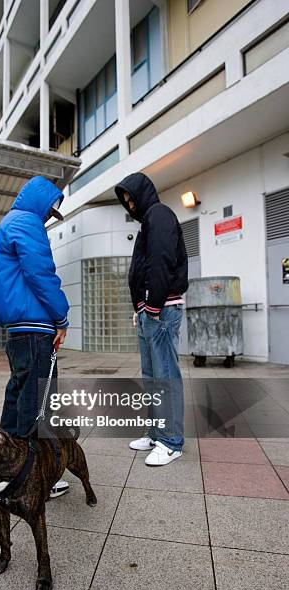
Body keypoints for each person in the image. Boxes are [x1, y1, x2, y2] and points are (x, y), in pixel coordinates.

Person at [0, 175, 69, 496]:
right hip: (36, 329)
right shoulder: (25, 222)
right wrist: (61, 316)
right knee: (39, 403)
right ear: (40, 202)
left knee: (18, 396)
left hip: (20, 331)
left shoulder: (10, 222)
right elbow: (41, 272)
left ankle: (1, 465)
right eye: (50, 211)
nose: (49, 217)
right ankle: (33, 476)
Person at [115, 172, 188, 466]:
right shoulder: (149, 222)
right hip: (150, 310)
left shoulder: (159, 215)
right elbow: (143, 269)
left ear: (145, 193)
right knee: (151, 378)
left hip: (162, 309)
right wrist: (140, 307)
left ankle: (171, 441)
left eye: (132, 197)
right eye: (126, 200)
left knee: (166, 377)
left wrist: (154, 305)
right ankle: (157, 433)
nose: (130, 204)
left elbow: (161, 261)